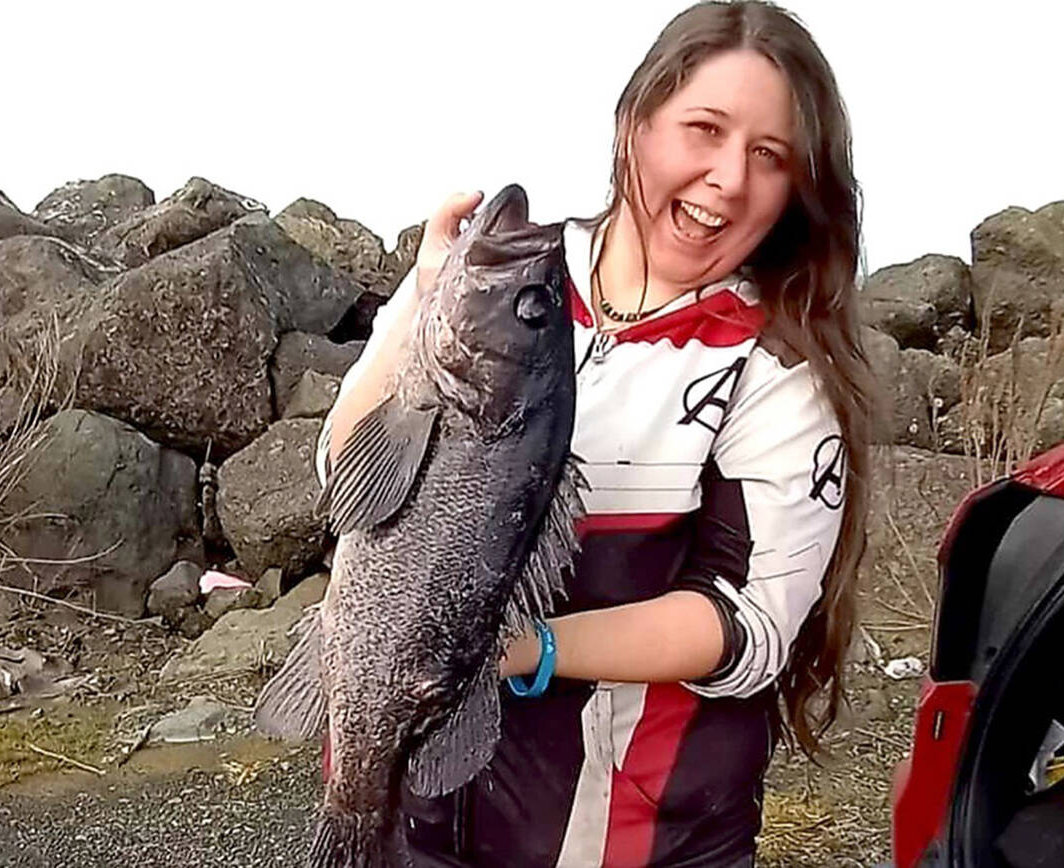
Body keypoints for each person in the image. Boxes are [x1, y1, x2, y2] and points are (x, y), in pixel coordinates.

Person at [318, 2, 874, 865]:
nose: (727, 176)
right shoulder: (505, 285)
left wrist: (518, 651)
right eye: (704, 129)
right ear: (634, 124)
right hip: (417, 812)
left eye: (768, 156)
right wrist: (418, 303)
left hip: (624, 836)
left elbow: (747, 625)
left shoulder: (776, 373)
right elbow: (342, 471)